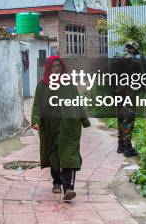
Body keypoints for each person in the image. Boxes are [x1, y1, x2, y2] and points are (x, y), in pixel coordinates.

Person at [30, 56, 90, 201]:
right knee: (54, 156)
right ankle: (56, 181)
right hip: (50, 127)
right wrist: (35, 120)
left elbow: (77, 102)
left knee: (69, 154)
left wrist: (84, 119)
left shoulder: (69, 84)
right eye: (53, 66)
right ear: (49, 69)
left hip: (68, 126)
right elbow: (37, 104)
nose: (56, 69)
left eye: (58, 66)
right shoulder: (42, 85)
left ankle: (68, 188)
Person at [113, 41, 141, 157]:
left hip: (117, 93)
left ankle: (120, 145)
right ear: (133, 49)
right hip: (129, 94)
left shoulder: (115, 58)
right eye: (136, 51)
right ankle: (127, 148)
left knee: (120, 119)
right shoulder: (133, 60)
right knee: (128, 120)